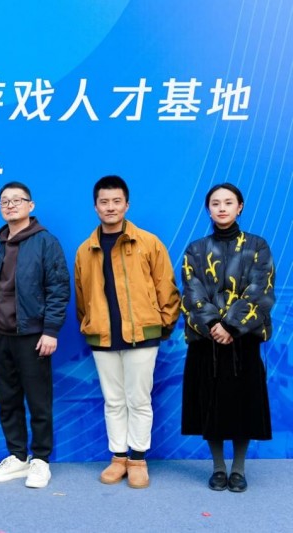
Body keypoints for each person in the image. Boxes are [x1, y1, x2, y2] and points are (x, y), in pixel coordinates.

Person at [74, 175, 180, 489]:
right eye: (104, 202)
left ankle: (137, 459)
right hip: (103, 336)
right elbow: (81, 297)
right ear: (95, 207)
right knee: (113, 400)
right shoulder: (85, 250)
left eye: (116, 201)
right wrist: (90, 325)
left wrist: (161, 326)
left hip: (143, 335)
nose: (110, 207)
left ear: (127, 205)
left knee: (139, 399)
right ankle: (118, 457)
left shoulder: (148, 242)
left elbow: (167, 288)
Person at [181, 183, 275, 493]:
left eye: (228, 202)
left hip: (243, 340)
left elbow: (261, 290)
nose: (222, 208)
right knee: (211, 404)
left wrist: (232, 326)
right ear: (208, 209)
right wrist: (213, 324)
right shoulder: (195, 249)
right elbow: (192, 291)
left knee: (242, 405)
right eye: (215, 203)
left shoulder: (258, 246)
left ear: (240, 207)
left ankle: (239, 468)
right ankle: (218, 467)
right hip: (206, 339)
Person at [0, 181, 70, 489]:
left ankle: (41, 459)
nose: (10, 205)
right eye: (4, 201)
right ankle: (18, 456)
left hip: (33, 335)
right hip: (1, 336)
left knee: (38, 400)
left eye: (17, 200)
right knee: (7, 400)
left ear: (30, 206)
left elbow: (58, 288)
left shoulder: (46, 242)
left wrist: (50, 330)